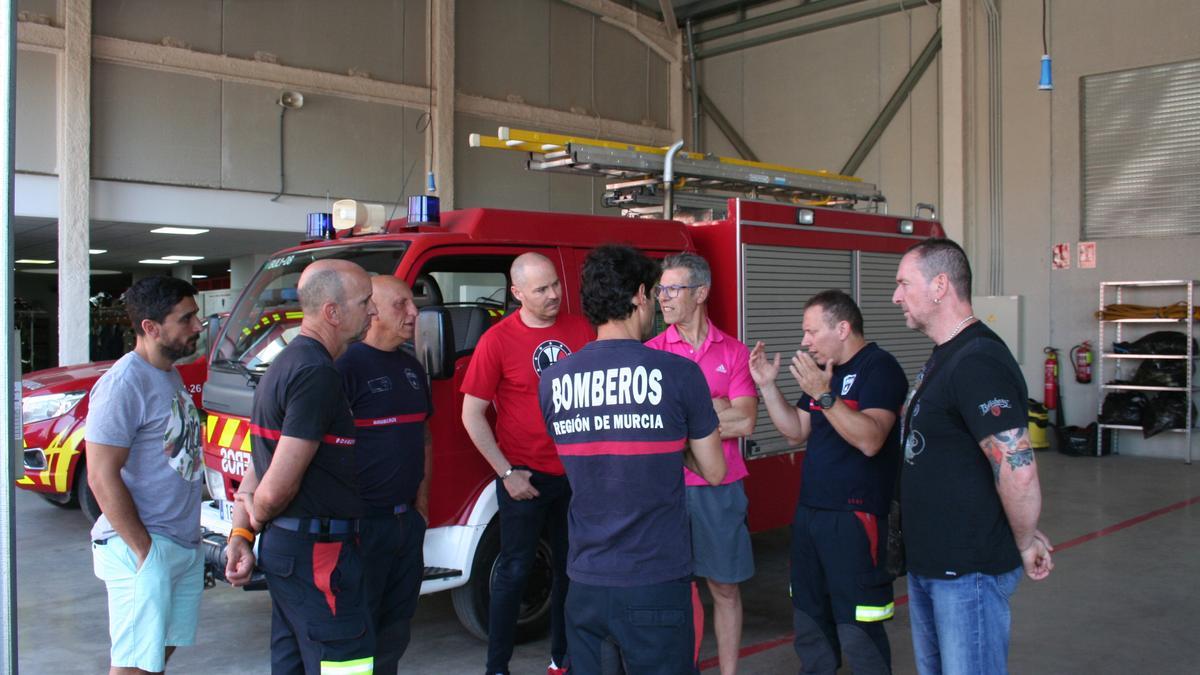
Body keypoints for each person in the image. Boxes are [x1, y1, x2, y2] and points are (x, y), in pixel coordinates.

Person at [539, 244, 726, 675]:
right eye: (655, 293)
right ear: (640, 295)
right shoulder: (678, 374)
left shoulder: (552, 381)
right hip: (654, 578)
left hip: (584, 580)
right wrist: (671, 442)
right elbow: (715, 470)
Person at [892, 238, 1053, 674]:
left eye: (904, 284)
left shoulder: (977, 361)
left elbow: (1017, 469)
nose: (896, 296)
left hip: (968, 572)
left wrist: (1023, 540)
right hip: (933, 566)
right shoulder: (947, 355)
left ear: (940, 285)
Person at [223, 258, 378, 674]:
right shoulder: (316, 374)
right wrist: (259, 512)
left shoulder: (287, 362)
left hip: (293, 552)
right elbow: (275, 488)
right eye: (365, 302)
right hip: (318, 556)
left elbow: (261, 467)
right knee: (345, 663)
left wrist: (243, 530)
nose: (373, 312)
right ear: (333, 312)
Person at [748, 289, 907, 675]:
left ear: (842, 327)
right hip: (811, 514)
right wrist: (768, 387)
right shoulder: (825, 376)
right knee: (810, 621)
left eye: (811, 331)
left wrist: (824, 394)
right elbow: (794, 432)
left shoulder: (879, 368)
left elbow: (871, 440)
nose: (804, 341)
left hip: (855, 518)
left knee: (857, 629)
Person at [460, 252, 594, 675]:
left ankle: (562, 659)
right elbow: (471, 414)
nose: (554, 294)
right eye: (541, 289)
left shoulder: (581, 329)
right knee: (513, 573)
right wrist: (505, 473)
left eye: (555, 284)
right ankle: (497, 667)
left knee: (571, 571)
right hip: (524, 479)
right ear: (517, 293)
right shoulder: (497, 340)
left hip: (575, 475)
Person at [645, 252, 757, 675]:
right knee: (675, 590)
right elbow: (655, 428)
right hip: (667, 490)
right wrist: (713, 410)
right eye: (661, 290)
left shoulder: (734, 350)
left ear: (701, 292)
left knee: (725, 588)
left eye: (673, 289)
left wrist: (684, 419)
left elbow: (745, 420)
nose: (664, 299)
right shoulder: (652, 353)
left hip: (721, 488)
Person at [87, 276, 206, 675]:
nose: (198, 326)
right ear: (151, 328)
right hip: (143, 546)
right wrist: (144, 551)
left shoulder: (168, 374)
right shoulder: (124, 383)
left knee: (157, 655)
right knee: (134, 665)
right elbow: (101, 476)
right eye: (186, 319)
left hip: (179, 541)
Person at [335, 276, 432, 673]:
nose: (414, 313)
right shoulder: (344, 367)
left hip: (404, 523)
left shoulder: (412, 367)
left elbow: (424, 438)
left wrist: (421, 508)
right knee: (358, 630)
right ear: (371, 312)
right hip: (361, 527)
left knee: (396, 628)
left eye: (413, 304)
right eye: (401, 305)